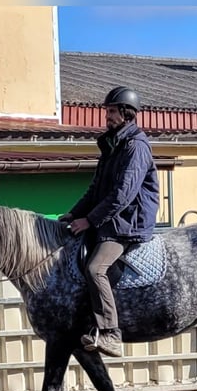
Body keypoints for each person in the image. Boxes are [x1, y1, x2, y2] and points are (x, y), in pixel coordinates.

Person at [59, 86, 159, 357]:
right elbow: (96, 189)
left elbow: (122, 194)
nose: (107, 116)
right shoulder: (113, 144)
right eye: (107, 111)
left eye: (112, 111)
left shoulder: (136, 146)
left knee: (95, 269)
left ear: (127, 114)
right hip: (111, 219)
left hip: (128, 222)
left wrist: (89, 221)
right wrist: (75, 213)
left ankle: (111, 333)